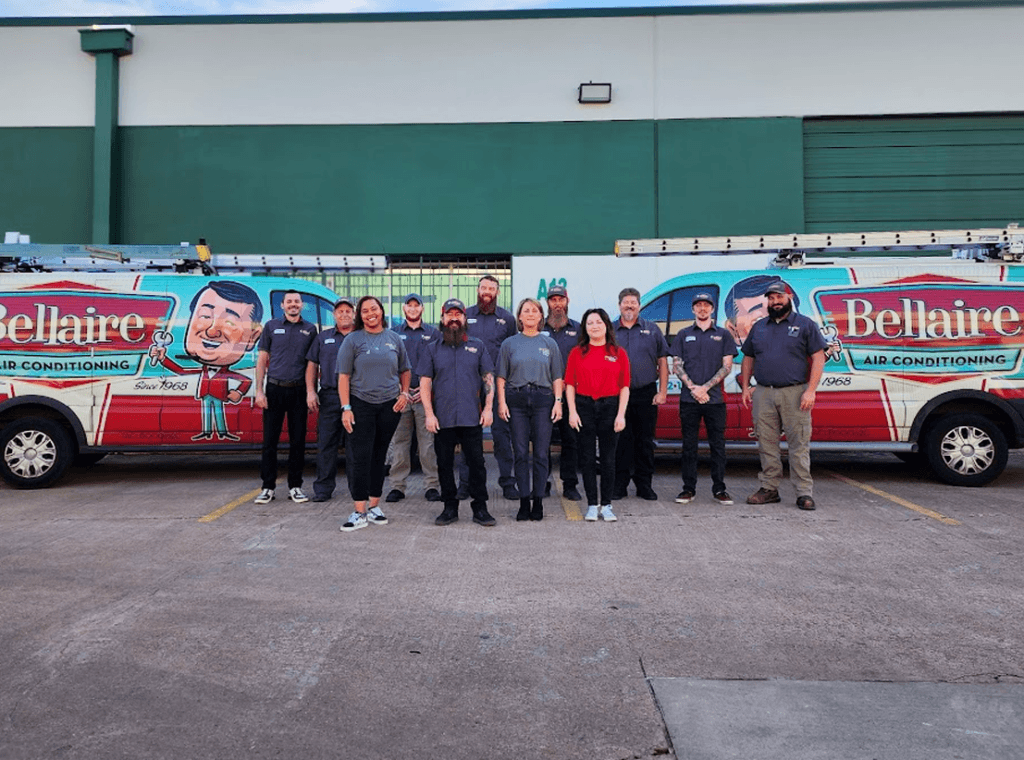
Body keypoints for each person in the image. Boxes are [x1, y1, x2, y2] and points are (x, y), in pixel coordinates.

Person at [740, 282, 827, 511]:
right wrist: (746, 386)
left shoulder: (805, 325)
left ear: (788, 297)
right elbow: (748, 357)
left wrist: (811, 390)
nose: (775, 301)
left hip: (795, 393)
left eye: (779, 297)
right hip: (763, 393)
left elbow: (819, 357)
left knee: (798, 444)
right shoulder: (759, 327)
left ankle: (804, 493)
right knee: (767, 444)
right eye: (770, 298)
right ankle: (769, 489)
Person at [148, 280, 262, 443]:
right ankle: (207, 432)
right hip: (206, 394)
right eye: (205, 316)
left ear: (252, 338)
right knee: (209, 412)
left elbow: (244, 379)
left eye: (229, 322)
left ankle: (222, 433)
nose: (212, 331)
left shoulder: (225, 372)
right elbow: (181, 371)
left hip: (218, 394)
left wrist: (238, 392)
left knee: (218, 413)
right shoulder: (203, 370)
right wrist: (162, 358)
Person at [419, 298, 497, 527]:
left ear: (464, 318)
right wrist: (429, 414)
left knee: (477, 464)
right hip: (442, 419)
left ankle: (480, 508)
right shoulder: (431, 348)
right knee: (444, 464)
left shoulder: (477, 346)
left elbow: (488, 379)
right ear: (442, 319)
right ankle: (449, 508)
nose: (454, 318)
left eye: (458, 314)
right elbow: (425, 384)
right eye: (449, 315)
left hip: (471, 416)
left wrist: (489, 408)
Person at [337, 295, 411, 531]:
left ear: (381, 311)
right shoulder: (352, 340)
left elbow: (405, 369)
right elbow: (343, 377)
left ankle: (374, 506)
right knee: (361, 457)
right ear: (361, 315)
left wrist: (404, 393)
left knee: (380, 456)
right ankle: (359, 511)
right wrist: (346, 408)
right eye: (365, 310)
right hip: (361, 405)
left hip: (389, 406)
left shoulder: (394, 339)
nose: (371, 313)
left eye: (374, 309)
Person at [497, 298, 563, 521]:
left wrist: (558, 402)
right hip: (516, 401)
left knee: (542, 453)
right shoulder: (509, 344)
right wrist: (502, 402)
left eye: (535, 310)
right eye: (526, 310)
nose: (531, 314)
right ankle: (524, 502)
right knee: (521, 453)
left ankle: (538, 502)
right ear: (520, 317)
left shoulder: (549, 344)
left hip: (543, 400)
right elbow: (501, 377)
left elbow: (557, 377)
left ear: (541, 316)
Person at [670, 293, 738, 506]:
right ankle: (688, 489)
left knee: (717, 446)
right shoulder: (682, 334)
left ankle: (719, 489)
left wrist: (705, 388)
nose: (702, 309)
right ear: (693, 310)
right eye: (698, 305)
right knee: (689, 446)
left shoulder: (723, 335)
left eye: (706, 305)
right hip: (689, 400)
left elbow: (727, 366)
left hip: (715, 399)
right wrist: (693, 388)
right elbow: (677, 365)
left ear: (712, 309)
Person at [565, 308, 630, 523]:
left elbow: (625, 387)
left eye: (598, 322)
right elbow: (569, 385)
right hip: (584, 406)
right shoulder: (577, 352)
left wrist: (621, 415)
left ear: (606, 326)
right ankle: (592, 505)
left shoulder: (618, 352)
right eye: (590, 322)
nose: (594, 326)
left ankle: (607, 505)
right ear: (585, 327)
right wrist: (572, 412)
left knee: (609, 459)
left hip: (610, 407)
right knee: (586, 458)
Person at [254, 290, 318, 505]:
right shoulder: (271, 326)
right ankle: (267, 487)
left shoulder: (310, 330)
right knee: (269, 442)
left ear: (302, 305)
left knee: (297, 441)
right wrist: (259, 391)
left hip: (299, 391)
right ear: (282, 305)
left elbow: (312, 364)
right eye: (289, 301)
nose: (293, 305)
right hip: (274, 390)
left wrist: (311, 391)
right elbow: (262, 359)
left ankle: (295, 486)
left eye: (297, 301)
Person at [465, 275, 519, 500]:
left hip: (498, 386)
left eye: (492, 288)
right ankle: (465, 483)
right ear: (478, 290)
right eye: (484, 287)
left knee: (501, 435)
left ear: (497, 292)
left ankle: (507, 482)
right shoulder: (466, 315)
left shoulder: (507, 319)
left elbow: (511, 352)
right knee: (468, 435)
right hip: (469, 385)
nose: (487, 291)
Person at [612, 287, 669, 501]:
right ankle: (619, 485)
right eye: (625, 302)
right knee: (621, 442)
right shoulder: (610, 330)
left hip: (646, 393)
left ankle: (644, 485)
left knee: (644, 442)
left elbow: (663, 361)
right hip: (617, 396)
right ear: (619, 306)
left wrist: (662, 391)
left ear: (639, 305)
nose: (629, 306)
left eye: (633, 303)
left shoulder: (652, 330)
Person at [385, 293, 442, 503]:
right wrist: (402, 389)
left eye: (416, 305)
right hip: (401, 396)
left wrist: (428, 388)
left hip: (424, 397)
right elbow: (389, 364)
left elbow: (440, 364)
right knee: (400, 443)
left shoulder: (434, 334)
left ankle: (431, 486)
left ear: (422, 309)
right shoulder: (392, 334)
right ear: (404, 309)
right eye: (408, 306)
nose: (412, 309)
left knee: (427, 444)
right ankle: (397, 487)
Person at [305, 296, 356, 502]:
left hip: (356, 397)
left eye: (347, 311)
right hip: (329, 396)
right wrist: (310, 391)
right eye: (340, 311)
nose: (344, 314)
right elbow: (311, 365)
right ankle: (323, 489)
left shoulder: (361, 336)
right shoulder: (322, 337)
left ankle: (357, 488)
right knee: (326, 444)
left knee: (355, 446)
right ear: (334, 314)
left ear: (353, 314)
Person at [543, 285, 582, 501]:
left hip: (570, 396)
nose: (557, 304)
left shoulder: (578, 329)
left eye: (561, 300)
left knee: (570, 441)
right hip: (543, 395)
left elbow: (584, 361)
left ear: (567, 301)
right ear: (547, 303)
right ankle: (543, 482)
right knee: (543, 441)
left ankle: (570, 484)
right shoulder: (538, 329)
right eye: (553, 300)